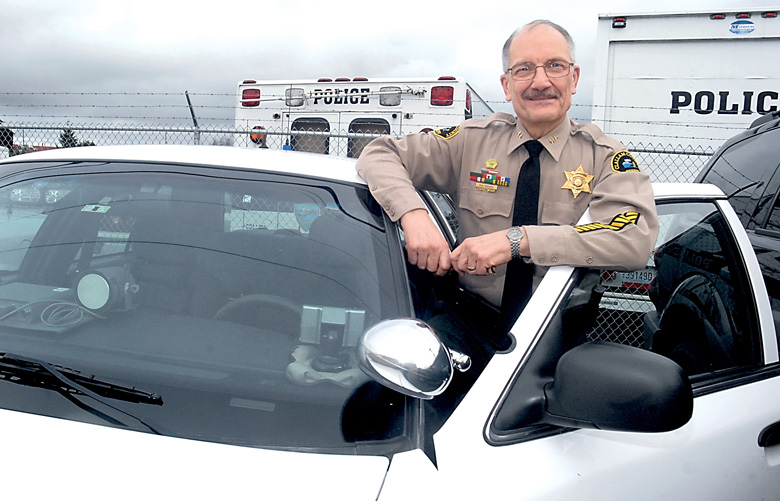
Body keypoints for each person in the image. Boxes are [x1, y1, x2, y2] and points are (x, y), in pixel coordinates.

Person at [356, 20, 659, 371]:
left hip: (556, 340)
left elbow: (633, 239)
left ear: (574, 79)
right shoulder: (471, 141)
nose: (540, 82)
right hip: (468, 325)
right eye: (524, 69)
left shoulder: (604, 158)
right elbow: (379, 153)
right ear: (507, 84)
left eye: (555, 66)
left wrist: (517, 241)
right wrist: (414, 216)